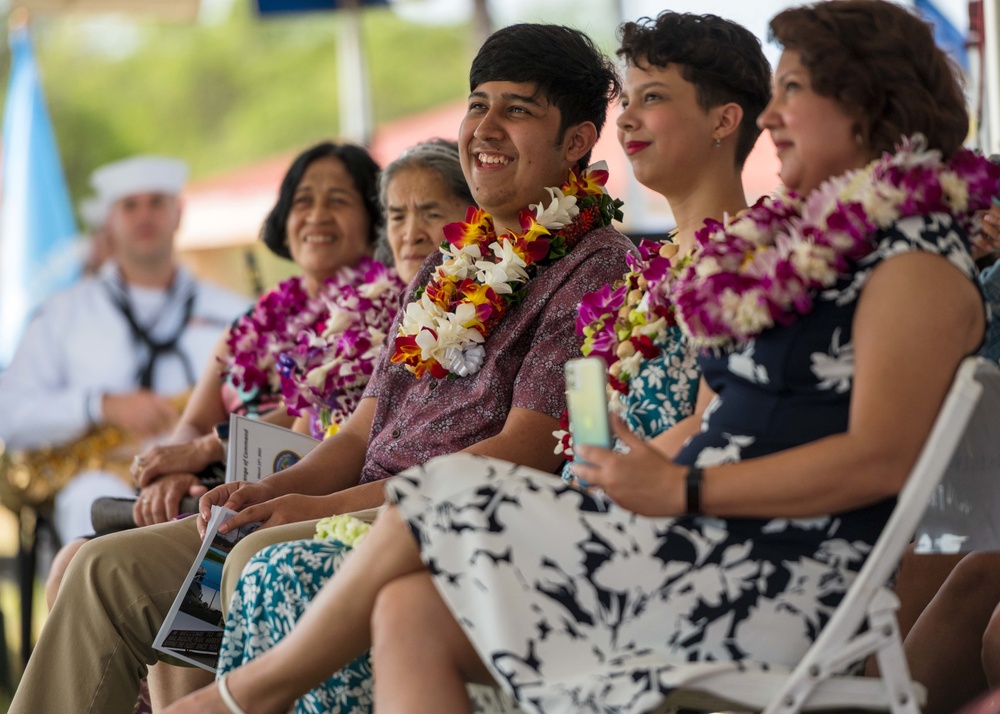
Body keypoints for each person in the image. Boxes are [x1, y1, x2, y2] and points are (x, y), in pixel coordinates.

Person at [163, 2, 997, 712]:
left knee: (445, 488)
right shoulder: (824, 256)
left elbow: (879, 463)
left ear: (868, 105)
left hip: (758, 578)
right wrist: (630, 474)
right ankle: (245, 696)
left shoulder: (913, 264)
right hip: (677, 537)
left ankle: (243, 698)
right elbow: (721, 418)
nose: (774, 115)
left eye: (794, 92)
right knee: (410, 611)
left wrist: (679, 487)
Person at [9, 23, 634, 714]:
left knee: (251, 557)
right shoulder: (450, 262)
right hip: (349, 502)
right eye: (476, 103)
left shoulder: (595, 265)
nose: (484, 128)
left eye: (516, 110)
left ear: (576, 142)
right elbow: (363, 430)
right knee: (101, 569)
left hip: (435, 525)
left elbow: (522, 450)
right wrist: (268, 490)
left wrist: (313, 508)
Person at [213, 13, 772, 714]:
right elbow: (589, 428)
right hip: (570, 514)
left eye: (651, 97)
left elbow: (712, 429)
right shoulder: (644, 276)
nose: (627, 119)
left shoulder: (741, 261)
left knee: (293, 566)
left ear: (725, 121)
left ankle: (236, 698)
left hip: (633, 540)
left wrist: (600, 489)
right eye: (626, 99)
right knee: (295, 569)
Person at [0, 155, 249, 544]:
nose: (144, 215)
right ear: (108, 222)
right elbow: (10, 415)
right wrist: (98, 405)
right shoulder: (61, 314)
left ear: (178, 213)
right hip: (99, 480)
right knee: (90, 502)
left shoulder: (232, 311)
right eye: (130, 205)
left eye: (157, 202)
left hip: (211, 476)